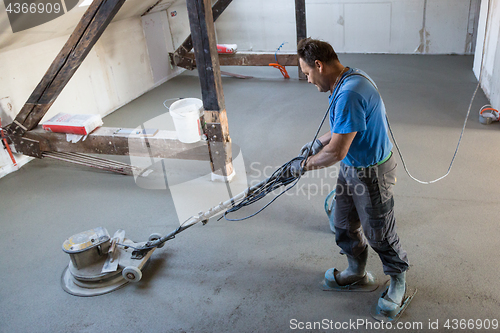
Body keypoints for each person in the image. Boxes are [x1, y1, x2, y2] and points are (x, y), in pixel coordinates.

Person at [295, 38, 410, 319]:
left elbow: (337, 150)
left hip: (373, 173)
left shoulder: (349, 92)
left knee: (379, 233)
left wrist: (304, 165)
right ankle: (357, 271)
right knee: (342, 222)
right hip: (352, 167)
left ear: (319, 65)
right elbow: (344, 129)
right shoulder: (349, 77)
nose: (308, 80)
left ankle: (398, 280)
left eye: (307, 73)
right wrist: (319, 142)